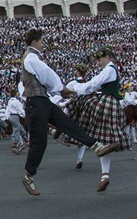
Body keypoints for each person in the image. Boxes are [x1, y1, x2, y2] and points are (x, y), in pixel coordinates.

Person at [18, 28, 117, 196]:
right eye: (42, 41)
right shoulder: (31, 57)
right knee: (39, 142)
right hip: (36, 103)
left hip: (42, 101)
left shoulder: (32, 58)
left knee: (67, 123)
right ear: (35, 42)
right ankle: (28, 176)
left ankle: (97, 146)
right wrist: (60, 89)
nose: (43, 44)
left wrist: (59, 90)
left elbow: (45, 77)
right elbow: (47, 75)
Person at [65, 47, 130, 192]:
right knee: (103, 142)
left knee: (81, 101)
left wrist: (74, 89)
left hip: (107, 102)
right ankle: (104, 176)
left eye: (99, 60)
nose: (98, 63)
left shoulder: (109, 69)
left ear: (107, 57)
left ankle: (61, 124)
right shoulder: (110, 69)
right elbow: (94, 84)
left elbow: (94, 83)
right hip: (112, 104)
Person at [5, 89, 27, 155]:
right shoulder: (17, 102)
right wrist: (23, 115)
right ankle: (16, 141)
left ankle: (24, 137)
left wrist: (7, 116)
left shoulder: (9, 101)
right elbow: (20, 110)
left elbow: (8, 109)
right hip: (15, 115)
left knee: (19, 126)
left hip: (11, 116)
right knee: (16, 128)